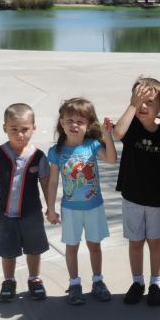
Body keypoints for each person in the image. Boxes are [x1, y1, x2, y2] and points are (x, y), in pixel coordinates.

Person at [45, 98, 117, 305]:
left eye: (80, 121)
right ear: (61, 122)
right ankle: (74, 284)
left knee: (94, 246)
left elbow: (112, 159)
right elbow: (52, 182)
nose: (74, 125)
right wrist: (50, 209)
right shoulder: (56, 152)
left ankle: (98, 281)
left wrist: (107, 136)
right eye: (70, 120)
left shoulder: (93, 145)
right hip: (70, 210)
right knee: (72, 247)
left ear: (88, 125)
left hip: (94, 207)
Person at [0, 103, 51, 302]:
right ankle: (9, 280)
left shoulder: (38, 156)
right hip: (6, 214)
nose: (20, 135)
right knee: (8, 250)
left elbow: (46, 183)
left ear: (33, 128)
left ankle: (34, 279)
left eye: (25, 130)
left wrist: (50, 208)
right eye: (14, 130)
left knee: (34, 248)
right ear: (5, 128)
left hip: (32, 213)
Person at [113, 77, 160, 306]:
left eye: (148, 102)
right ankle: (137, 282)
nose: (143, 107)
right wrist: (132, 105)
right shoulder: (131, 126)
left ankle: (156, 283)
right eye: (138, 101)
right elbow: (117, 133)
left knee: (155, 241)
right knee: (135, 241)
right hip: (132, 195)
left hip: (157, 196)